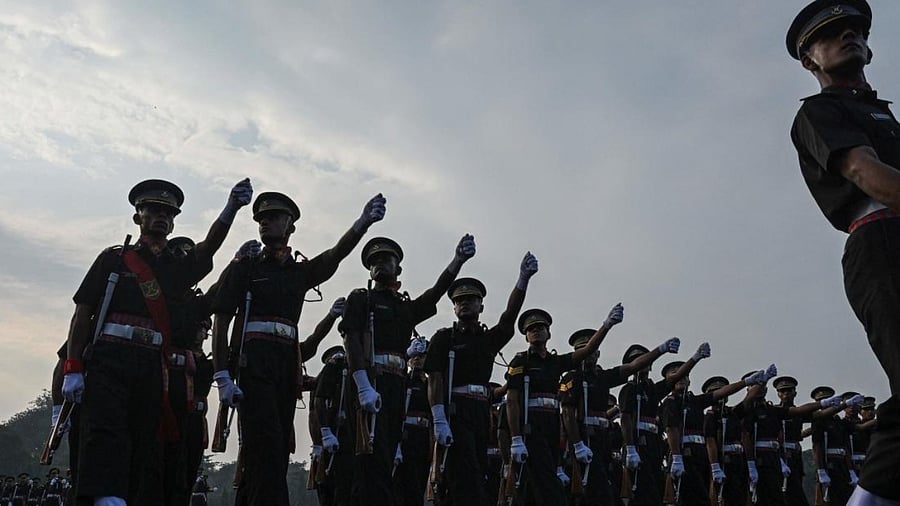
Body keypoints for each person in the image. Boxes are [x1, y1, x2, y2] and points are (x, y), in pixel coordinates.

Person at [62, 178, 252, 506]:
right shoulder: (114, 259)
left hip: (151, 362)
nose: (161, 216)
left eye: (168, 212)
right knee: (106, 429)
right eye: (153, 210)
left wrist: (231, 207)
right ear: (138, 216)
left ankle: (126, 496)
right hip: (111, 356)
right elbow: (83, 312)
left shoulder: (176, 268)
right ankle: (106, 497)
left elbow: (208, 247)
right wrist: (73, 367)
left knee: (144, 435)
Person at [787, 1, 900, 501]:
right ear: (810, 60)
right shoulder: (820, 111)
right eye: (832, 34)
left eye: (855, 29)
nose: (848, 35)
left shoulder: (885, 115)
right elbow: (865, 173)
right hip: (882, 242)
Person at [212, 191, 385, 506]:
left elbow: (335, 255)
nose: (266, 222)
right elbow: (221, 320)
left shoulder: (298, 271)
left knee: (273, 449)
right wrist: (222, 374)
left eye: (273, 217)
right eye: (262, 219)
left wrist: (362, 223)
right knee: (265, 444)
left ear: (290, 225)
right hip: (255, 364)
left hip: (284, 367)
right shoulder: (246, 266)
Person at [341, 233, 476, 506]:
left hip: (395, 387)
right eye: (374, 260)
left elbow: (435, 293)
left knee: (386, 457)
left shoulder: (403, 307)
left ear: (398, 268)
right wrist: (363, 384)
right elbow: (351, 339)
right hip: (372, 383)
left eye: (386, 259)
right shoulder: (361, 299)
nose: (380, 263)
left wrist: (457, 261)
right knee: (369, 460)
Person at [423, 253, 539, 506]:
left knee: (479, 475)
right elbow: (434, 379)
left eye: (471, 299)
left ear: (481, 306)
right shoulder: (444, 338)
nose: (465, 303)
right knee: (465, 479)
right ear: (453, 307)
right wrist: (439, 418)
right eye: (460, 300)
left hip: (480, 413)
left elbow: (509, 317)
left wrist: (523, 280)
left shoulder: (487, 340)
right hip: (456, 413)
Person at [505, 304, 624, 505]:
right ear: (526, 337)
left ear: (549, 333)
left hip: (551, 427)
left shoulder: (555, 362)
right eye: (531, 329)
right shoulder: (519, 362)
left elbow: (588, 350)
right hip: (531, 427)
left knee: (533, 488)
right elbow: (512, 401)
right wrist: (516, 438)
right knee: (550, 489)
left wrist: (607, 325)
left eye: (540, 328)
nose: (536, 331)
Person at [559, 331, 681, 506]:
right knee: (589, 495)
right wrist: (577, 444)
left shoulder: (602, 377)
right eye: (583, 350)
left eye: (592, 350)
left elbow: (632, 367)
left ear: (598, 353)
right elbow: (567, 414)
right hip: (585, 441)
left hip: (603, 442)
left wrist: (661, 350)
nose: (588, 354)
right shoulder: (572, 377)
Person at [661, 364, 773, 506]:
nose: (681, 378)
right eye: (676, 375)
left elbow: (731, 395)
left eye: (684, 375)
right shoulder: (671, 403)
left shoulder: (696, 401)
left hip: (700, 457)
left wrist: (751, 382)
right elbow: (672, 429)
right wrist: (677, 457)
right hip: (685, 456)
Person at [617, 342, 707, 506]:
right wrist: (630, 448)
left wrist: (695, 358)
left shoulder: (652, 389)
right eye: (636, 360)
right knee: (643, 494)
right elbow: (625, 419)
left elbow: (676, 377)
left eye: (644, 360)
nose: (641, 363)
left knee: (656, 492)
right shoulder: (629, 389)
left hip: (654, 446)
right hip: (638, 446)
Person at [391, 338, 432, 506]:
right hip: (404, 436)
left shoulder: (431, 384)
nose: (417, 360)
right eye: (413, 357)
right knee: (399, 486)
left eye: (421, 357)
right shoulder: (402, 381)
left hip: (422, 438)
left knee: (418, 484)